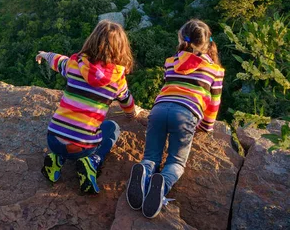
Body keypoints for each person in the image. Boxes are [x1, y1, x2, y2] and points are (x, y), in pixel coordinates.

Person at [126, 19, 224, 218]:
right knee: (176, 162)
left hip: (159, 109)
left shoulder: (170, 62)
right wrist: (206, 126)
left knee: (151, 156)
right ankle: (162, 182)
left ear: (182, 39)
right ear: (208, 42)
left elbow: (169, 85)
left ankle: (145, 172)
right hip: (186, 115)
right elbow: (214, 104)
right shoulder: (215, 70)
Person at [36, 20, 136, 194]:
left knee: (65, 132)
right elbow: (126, 102)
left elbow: (58, 60)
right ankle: (92, 162)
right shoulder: (117, 79)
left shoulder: (75, 64)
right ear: (121, 49)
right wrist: (131, 114)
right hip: (83, 148)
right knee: (112, 128)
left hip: (52, 139)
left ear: (92, 41)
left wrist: (44, 55)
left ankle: (57, 158)